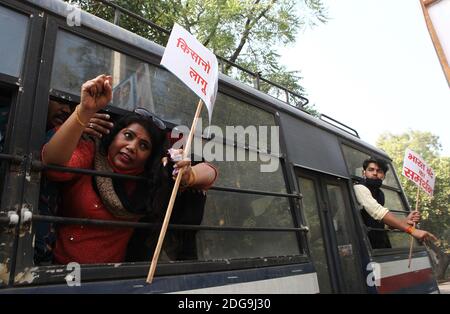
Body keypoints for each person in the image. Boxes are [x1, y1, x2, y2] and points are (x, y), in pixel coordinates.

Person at [42, 74, 217, 264]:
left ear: (149, 158)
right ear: (114, 135)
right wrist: (84, 111)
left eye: (144, 146)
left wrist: (189, 176)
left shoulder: (150, 178)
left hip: (112, 278)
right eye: (127, 135)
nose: (132, 147)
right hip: (60, 274)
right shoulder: (92, 152)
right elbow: (54, 165)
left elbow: (210, 172)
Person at [35, 97, 115, 265]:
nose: (66, 110)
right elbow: (52, 166)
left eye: (72, 107)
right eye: (60, 100)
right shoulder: (14, 121)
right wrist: (75, 124)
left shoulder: (85, 143)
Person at [354, 157, 437, 249]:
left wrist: (405, 221)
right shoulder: (359, 188)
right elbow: (378, 212)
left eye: (379, 171)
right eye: (371, 170)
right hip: (363, 246)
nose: (375, 173)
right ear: (363, 173)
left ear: (384, 176)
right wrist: (413, 231)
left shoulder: (380, 194)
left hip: (380, 245)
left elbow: (380, 223)